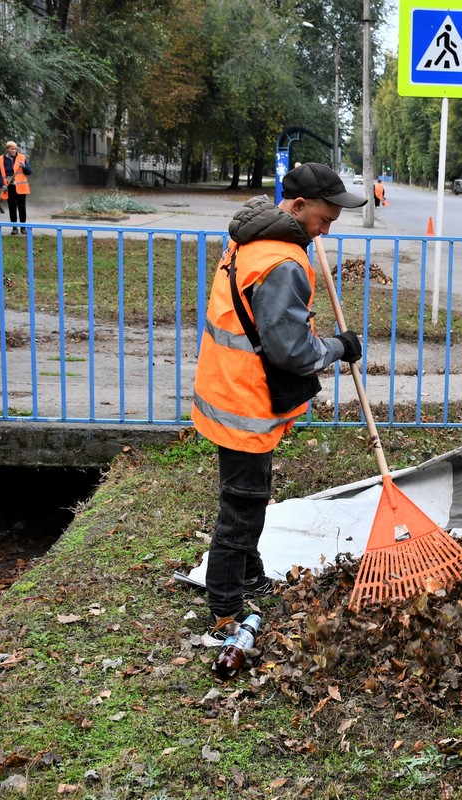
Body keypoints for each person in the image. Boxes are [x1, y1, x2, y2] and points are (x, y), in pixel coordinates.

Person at [192, 162, 366, 637]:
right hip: (245, 402)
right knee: (242, 507)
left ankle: (248, 575)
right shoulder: (283, 263)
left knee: (249, 495)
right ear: (298, 205)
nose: (327, 229)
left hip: (228, 388)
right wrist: (338, 347)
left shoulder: (250, 239)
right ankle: (225, 609)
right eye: (324, 219)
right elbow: (291, 349)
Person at [0, 141, 33, 235]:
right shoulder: (1, 160)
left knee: (22, 207)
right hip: (9, 187)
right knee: (12, 208)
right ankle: (14, 227)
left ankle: (23, 227)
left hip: (21, 187)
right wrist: (2, 185)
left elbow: (29, 172)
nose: (14, 151)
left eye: (15, 149)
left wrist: (24, 166)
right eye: (12, 149)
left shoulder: (22, 158)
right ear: (7, 149)